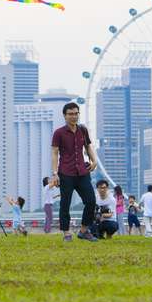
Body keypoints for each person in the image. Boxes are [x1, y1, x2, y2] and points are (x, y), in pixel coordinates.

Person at [50, 102, 99, 243]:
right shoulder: (59, 133)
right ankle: (66, 233)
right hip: (65, 172)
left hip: (83, 172)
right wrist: (55, 173)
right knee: (65, 204)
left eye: (76, 113)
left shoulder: (83, 130)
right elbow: (54, 153)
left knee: (91, 201)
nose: (74, 116)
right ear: (65, 116)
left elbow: (88, 146)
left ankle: (84, 231)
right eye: (70, 114)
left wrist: (94, 160)